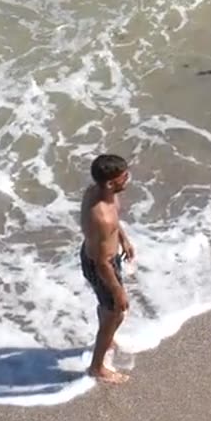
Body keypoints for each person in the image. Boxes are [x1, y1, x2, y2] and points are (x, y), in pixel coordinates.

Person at [80, 153, 136, 383]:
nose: (128, 179)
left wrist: (123, 238)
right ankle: (97, 368)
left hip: (105, 257)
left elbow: (114, 223)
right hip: (101, 265)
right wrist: (117, 290)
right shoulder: (100, 217)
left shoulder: (100, 192)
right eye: (124, 177)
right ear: (111, 183)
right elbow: (102, 262)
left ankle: (107, 331)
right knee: (116, 312)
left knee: (111, 311)